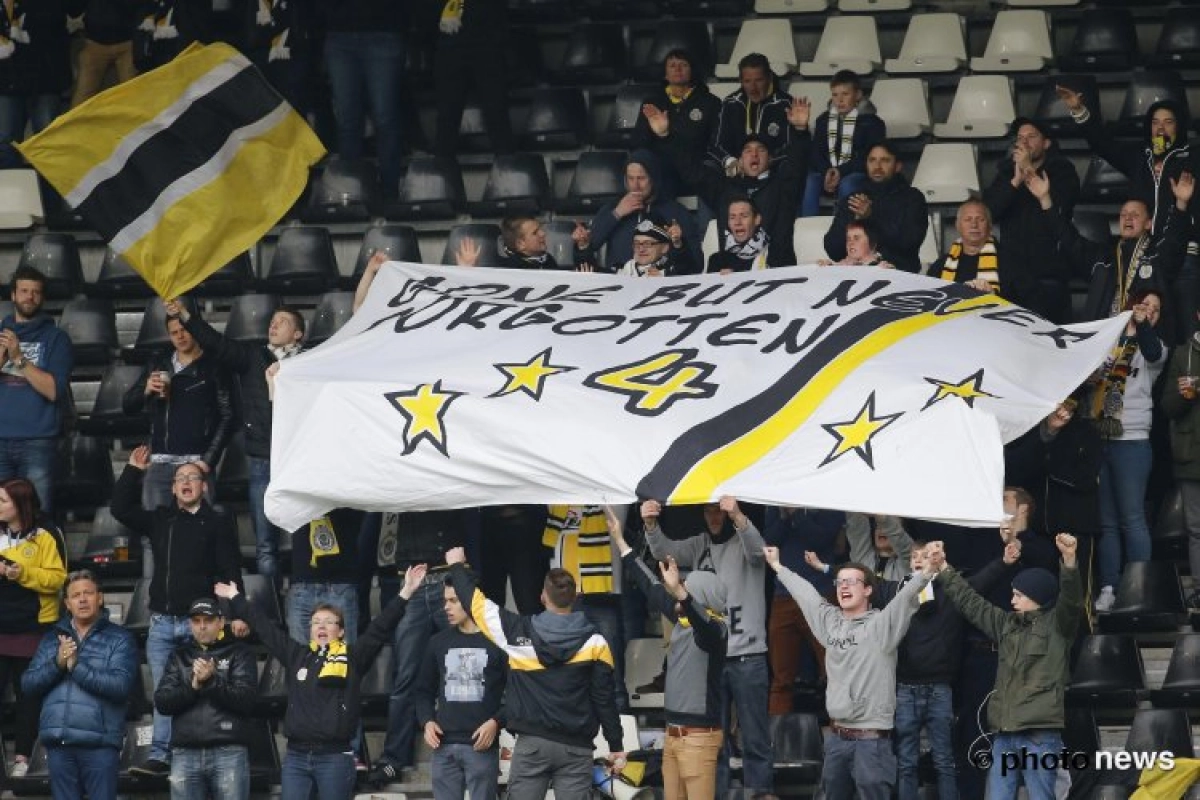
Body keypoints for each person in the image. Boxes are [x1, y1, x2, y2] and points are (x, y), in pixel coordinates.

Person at [215, 564, 428, 799]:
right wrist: (235, 597)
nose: (321, 626)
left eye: (329, 622)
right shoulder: (297, 655)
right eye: (316, 622)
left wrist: (406, 591)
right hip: (296, 758)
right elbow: (265, 628)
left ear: (341, 632)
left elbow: (380, 627)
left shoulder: (353, 657)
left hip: (334, 758)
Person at [445, 545, 627, 800]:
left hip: (532, 746)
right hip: (576, 748)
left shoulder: (517, 632)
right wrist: (616, 744)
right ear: (576, 597)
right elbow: (604, 699)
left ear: (543, 596)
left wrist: (457, 566)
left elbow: (477, 606)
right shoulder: (596, 642)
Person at [763, 542, 938, 800]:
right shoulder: (830, 623)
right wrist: (777, 566)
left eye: (852, 582)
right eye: (840, 582)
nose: (844, 586)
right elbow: (806, 594)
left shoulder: (881, 626)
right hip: (836, 740)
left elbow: (904, 599)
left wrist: (927, 572)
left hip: (872, 742)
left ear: (868, 589)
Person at [111, 444, 246, 776]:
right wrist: (132, 471)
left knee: (204, 686)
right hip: (160, 624)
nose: (186, 482)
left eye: (193, 477)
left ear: (203, 486)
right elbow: (119, 508)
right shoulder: (160, 519)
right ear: (172, 488)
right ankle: (162, 755)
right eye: (180, 477)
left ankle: (204, 751)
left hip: (198, 623)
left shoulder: (216, 522)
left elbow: (231, 571)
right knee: (164, 691)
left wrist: (238, 612)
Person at [935, 534, 1083, 800]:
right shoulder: (1006, 624)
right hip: (1004, 732)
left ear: (1037, 596)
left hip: (1039, 732)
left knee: (1041, 796)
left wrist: (1069, 560)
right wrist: (944, 568)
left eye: (1018, 595)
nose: (1012, 600)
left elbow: (1072, 601)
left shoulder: (1058, 626)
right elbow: (970, 603)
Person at [166, 298, 305, 579]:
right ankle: (271, 613)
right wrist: (186, 315)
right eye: (272, 321)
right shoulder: (252, 356)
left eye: (283, 322)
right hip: (262, 460)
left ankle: (302, 610)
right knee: (265, 545)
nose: (274, 324)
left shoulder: (311, 361)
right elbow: (215, 342)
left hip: (300, 460)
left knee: (305, 540)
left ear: (298, 334)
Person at [641, 496, 772, 796]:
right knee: (716, 744)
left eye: (719, 512)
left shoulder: (744, 541)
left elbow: (758, 550)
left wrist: (737, 514)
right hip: (711, 662)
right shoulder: (701, 543)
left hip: (747, 655)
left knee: (755, 742)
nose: (714, 517)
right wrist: (650, 524)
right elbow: (664, 552)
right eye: (708, 511)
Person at [1056, 84, 1198, 340]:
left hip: (1184, 254)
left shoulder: (1193, 159)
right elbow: (1103, 144)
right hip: (1145, 256)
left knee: (1186, 331)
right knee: (1146, 328)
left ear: (1179, 127)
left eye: (1168, 122)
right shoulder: (1138, 158)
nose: (1161, 128)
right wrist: (1079, 111)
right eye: (1155, 123)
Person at [607, 506, 727, 800]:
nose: (677, 591)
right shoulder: (682, 618)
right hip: (672, 736)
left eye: (686, 588)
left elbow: (702, 621)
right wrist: (621, 542)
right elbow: (650, 585)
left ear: (701, 598)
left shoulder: (716, 630)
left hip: (698, 739)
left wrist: (683, 596)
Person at [365, 508, 472, 787]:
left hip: (447, 575)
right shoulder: (396, 469)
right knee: (405, 677)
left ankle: (467, 750)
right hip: (411, 577)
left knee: (462, 668)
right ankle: (393, 760)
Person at [644, 97, 812, 269]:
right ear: (739, 160)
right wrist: (666, 136)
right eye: (748, 151)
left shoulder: (783, 188)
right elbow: (691, 170)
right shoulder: (724, 188)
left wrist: (799, 131)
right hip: (730, 276)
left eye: (760, 150)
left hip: (776, 276)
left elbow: (798, 165)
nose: (754, 155)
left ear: (770, 159)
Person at [1030, 169, 1193, 340]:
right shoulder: (1102, 258)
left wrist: (1181, 204)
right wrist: (1045, 199)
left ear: (1148, 223)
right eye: (1123, 215)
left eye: (1135, 215)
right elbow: (1068, 238)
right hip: (1102, 344)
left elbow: (1175, 241)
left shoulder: (1157, 257)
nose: (1128, 218)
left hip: (1143, 347)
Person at [22, 570, 138, 800]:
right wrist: (58, 664)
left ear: (100, 598)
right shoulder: (52, 638)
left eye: (88, 593)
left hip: (100, 744)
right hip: (60, 744)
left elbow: (120, 686)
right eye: (76, 595)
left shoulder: (120, 638)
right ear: (67, 603)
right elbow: (28, 685)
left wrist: (76, 667)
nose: (83, 599)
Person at [123, 308, 235, 512]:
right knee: (156, 533)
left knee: (199, 532)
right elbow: (128, 406)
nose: (180, 336)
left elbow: (229, 416)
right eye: (174, 333)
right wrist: (145, 390)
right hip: (159, 463)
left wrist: (208, 461)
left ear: (195, 329)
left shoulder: (213, 366)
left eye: (184, 330)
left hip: (196, 463)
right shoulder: (159, 363)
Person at [153, 597, 258, 800]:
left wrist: (210, 682)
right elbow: (162, 702)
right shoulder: (178, 656)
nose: (202, 627)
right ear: (189, 624)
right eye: (196, 621)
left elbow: (246, 700)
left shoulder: (240, 653)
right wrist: (193, 687)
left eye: (208, 620)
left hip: (229, 750)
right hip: (185, 752)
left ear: (220, 622)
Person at [413, 580, 507, 800]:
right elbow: (422, 690)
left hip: (482, 746)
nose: (446, 607)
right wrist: (426, 721)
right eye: (445, 600)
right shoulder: (438, 642)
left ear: (471, 600)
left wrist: (496, 721)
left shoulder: (498, 642)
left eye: (453, 600)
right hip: (443, 746)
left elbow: (519, 692)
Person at [981, 117, 1079, 321]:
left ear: (1046, 143)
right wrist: (1015, 180)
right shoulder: (1006, 173)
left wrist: (1029, 171)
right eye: (1020, 138)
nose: (1024, 142)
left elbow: (1060, 208)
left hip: (1049, 275)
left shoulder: (1062, 170)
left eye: (1032, 137)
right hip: (1013, 275)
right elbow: (989, 213)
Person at [0, 478, 67, 777]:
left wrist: (20, 572)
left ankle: (23, 759)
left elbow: (57, 579)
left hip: (32, 629)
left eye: (2, 501)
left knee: (27, 696)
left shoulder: (46, 534)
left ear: (21, 503)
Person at [0, 266, 73, 515]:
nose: (29, 297)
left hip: (38, 442)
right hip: (0, 439)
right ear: (13, 295)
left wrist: (19, 359)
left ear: (42, 298)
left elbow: (53, 391)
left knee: (37, 516)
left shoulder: (56, 338)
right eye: (24, 291)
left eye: (35, 292)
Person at [542, 504, 629, 712]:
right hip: (562, 600)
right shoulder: (556, 503)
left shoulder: (610, 503)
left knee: (611, 672)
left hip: (600, 596)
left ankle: (621, 730)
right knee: (567, 674)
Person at [316, 0, 405, 196]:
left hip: (382, 31)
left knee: (385, 117)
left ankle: (390, 192)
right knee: (348, 119)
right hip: (340, 34)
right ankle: (351, 192)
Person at [761, 505, 844, 715]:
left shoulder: (826, 495)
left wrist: (795, 513)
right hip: (784, 593)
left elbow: (820, 539)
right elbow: (770, 539)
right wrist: (783, 514)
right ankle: (778, 742)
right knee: (781, 678)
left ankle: (840, 737)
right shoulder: (774, 497)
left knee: (835, 672)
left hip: (821, 593)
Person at [577, 149, 701, 270]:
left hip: (660, 284)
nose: (635, 185)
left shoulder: (676, 212)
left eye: (641, 178)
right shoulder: (613, 208)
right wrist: (616, 214)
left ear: (653, 179)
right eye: (631, 178)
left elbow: (697, 263)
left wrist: (679, 243)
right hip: (621, 283)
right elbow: (588, 246)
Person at [422, 0, 511, 158]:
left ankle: (510, 176)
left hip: (487, 45)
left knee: (497, 115)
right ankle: (442, 176)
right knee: (447, 119)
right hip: (450, 47)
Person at [824, 141, 929, 274]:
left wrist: (870, 217)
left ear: (897, 166)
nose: (877, 166)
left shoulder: (913, 198)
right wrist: (852, 221)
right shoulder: (854, 198)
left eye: (885, 160)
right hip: (856, 275)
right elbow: (832, 249)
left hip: (899, 275)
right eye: (872, 160)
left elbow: (909, 243)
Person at [633, 48, 721, 200]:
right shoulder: (653, 103)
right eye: (672, 65)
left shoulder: (710, 103)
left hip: (696, 168)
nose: (678, 69)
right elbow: (639, 141)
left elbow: (715, 142)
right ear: (665, 73)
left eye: (683, 65)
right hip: (663, 170)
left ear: (692, 70)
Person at [802, 69, 886, 217]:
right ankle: (808, 226)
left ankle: (843, 228)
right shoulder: (823, 120)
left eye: (845, 94)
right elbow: (816, 152)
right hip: (828, 172)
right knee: (810, 180)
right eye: (835, 95)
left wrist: (841, 171)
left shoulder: (873, 123)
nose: (839, 100)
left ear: (858, 95)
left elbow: (870, 158)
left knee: (848, 183)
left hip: (857, 174)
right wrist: (827, 171)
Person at [0, 0, 70, 168]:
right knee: (5, 143)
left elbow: (64, 15)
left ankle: (48, 192)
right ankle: (10, 191)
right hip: (6, 80)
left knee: (47, 141)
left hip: (44, 76)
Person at [1161, 311, 1200, 605]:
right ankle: (1199, 589)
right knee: (1196, 529)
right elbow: (1168, 408)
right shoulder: (1183, 354)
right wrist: (1183, 396)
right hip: (1191, 456)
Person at [709, 52, 793, 169]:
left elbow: (792, 147)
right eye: (747, 81)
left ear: (769, 78)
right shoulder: (730, 104)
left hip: (773, 171)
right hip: (737, 170)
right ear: (741, 81)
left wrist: (767, 162)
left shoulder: (786, 104)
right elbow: (716, 145)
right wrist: (731, 162)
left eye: (758, 80)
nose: (753, 88)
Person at [931, 200, 1010, 296]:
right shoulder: (941, 265)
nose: (974, 225)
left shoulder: (1009, 262)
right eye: (968, 219)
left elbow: (1025, 302)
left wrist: (993, 295)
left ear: (990, 226)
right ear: (957, 225)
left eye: (980, 219)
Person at [70, 0, 139, 107]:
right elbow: (74, 10)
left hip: (128, 43)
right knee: (81, 100)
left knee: (134, 98)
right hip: (95, 43)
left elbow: (141, 6)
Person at [615, 216, 693, 276]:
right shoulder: (621, 271)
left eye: (648, 244)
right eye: (637, 244)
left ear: (665, 248)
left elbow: (687, 269)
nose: (641, 249)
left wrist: (665, 281)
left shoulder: (672, 271)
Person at [818, 220, 893, 268]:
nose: (851, 242)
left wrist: (889, 272)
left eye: (856, 238)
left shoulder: (881, 267)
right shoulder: (844, 264)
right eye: (848, 239)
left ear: (872, 244)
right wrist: (828, 267)